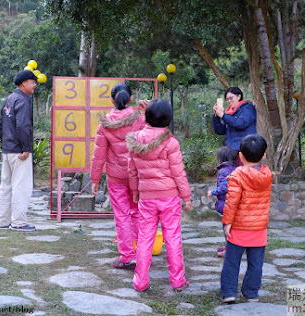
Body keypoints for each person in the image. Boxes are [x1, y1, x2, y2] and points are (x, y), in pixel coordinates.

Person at [126, 98, 192, 292]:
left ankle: (140, 282)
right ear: (168, 119)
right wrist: (186, 197)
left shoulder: (135, 139)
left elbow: (132, 170)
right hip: (169, 198)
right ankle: (178, 281)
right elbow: (178, 173)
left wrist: (136, 192)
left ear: (147, 116)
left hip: (146, 197)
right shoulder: (171, 143)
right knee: (172, 238)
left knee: (145, 238)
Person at [90, 83, 146, 269]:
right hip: (136, 175)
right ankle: (142, 254)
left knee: (121, 216)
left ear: (112, 100)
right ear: (130, 98)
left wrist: (95, 180)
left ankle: (127, 256)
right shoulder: (139, 119)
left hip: (116, 177)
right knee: (137, 213)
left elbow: (99, 154)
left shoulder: (105, 124)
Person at [220, 134, 272, 303]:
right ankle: (251, 293)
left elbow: (232, 202)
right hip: (259, 228)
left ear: (240, 156)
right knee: (256, 264)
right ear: (263, 156)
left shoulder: (237, 175)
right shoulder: (267, 175)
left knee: (232, 262)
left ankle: (229, 292)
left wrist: (227, 222)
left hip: (239, 227)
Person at [0, 70, 38, 232]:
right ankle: (18, 222)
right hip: (19, 151)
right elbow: (23, 126)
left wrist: (5, 144)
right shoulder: (23, 100)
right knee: (21, 186)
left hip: (7, 150)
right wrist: (26, 148)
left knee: (5, 186)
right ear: (24, 83)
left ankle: (1, 221)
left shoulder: (8, 100)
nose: (35, 84)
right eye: (33, 81)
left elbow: (0, 124)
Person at [212, 87, 257, 164]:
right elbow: (220, 131)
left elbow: (241, 123)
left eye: (231, 98)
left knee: (244, 174)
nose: (229, 101)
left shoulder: (247, 108)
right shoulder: (229, 114)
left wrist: (223, 115)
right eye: (227, 99)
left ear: (239, 96)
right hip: (231, 152)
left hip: (245, 151)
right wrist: (216, 117)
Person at [207, 146, 237, 258]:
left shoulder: (223, 171)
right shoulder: (236, 169)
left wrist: (212, 192)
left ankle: (230, 251)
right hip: (234, 203)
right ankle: (229, 247)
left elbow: (225, 187)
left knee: (227, 228)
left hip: (226, 204)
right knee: (232, 227)